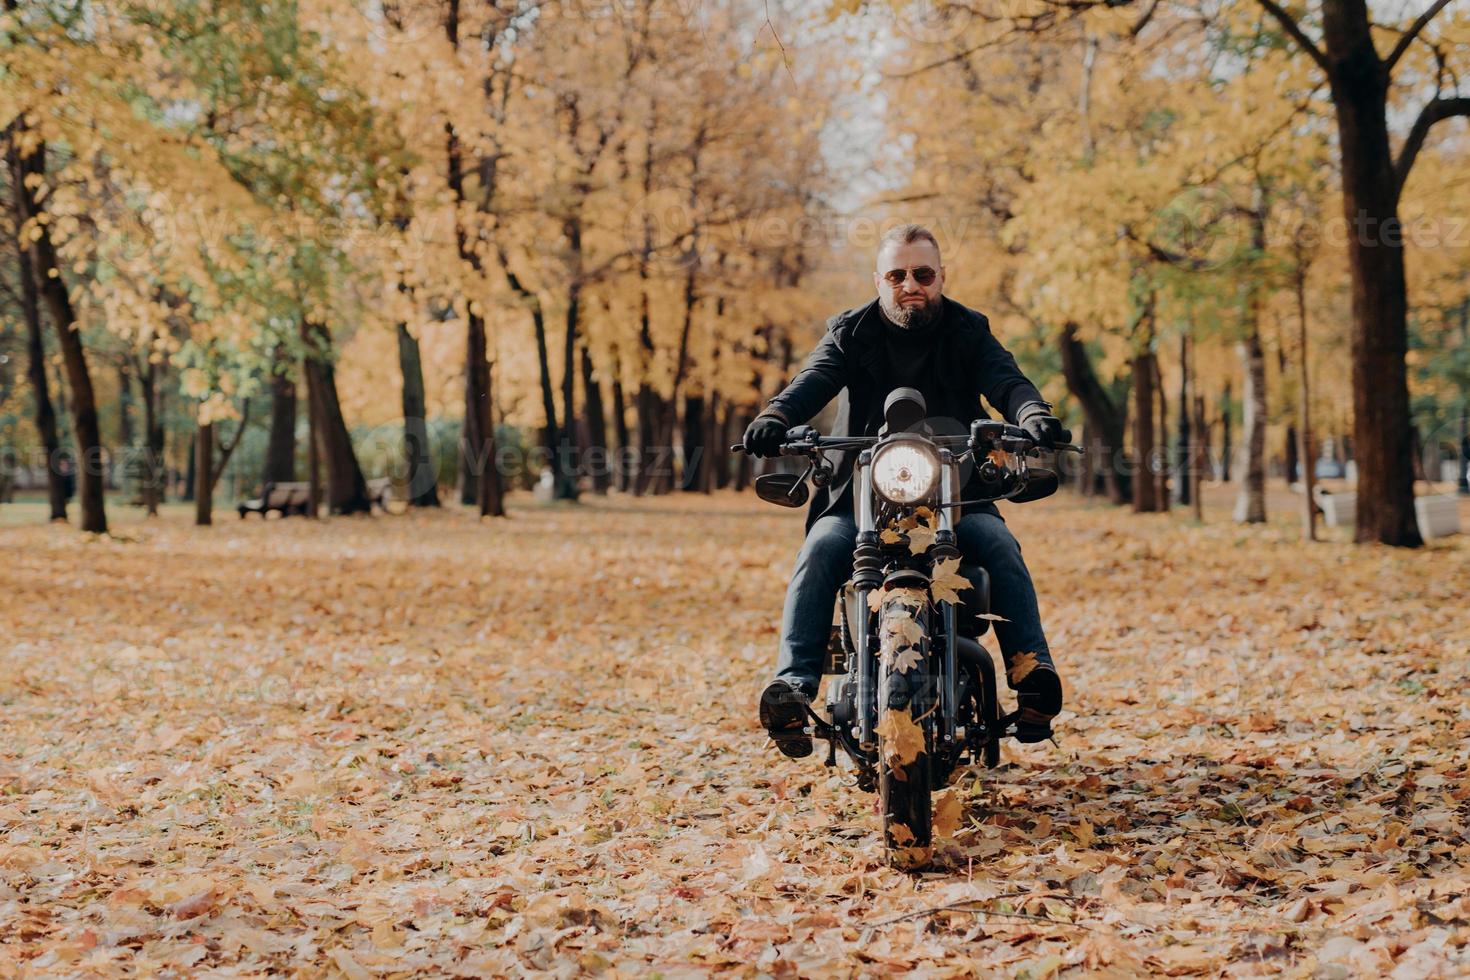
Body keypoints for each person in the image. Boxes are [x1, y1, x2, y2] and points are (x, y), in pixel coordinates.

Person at [744, 224, 1066, 758]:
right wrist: (776, 415)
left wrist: (1031, 412)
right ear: (879, 280)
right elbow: (814, 379)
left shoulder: (967, 329)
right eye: (897, 275)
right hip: (860, 496)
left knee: (1000, 544)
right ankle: (795, 687)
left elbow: (1005, 380)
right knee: (822, 545)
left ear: (941, 277)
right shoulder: (850, 332)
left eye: (922, 274)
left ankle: (1032, 677)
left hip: (955, 494)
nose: (909, 284)